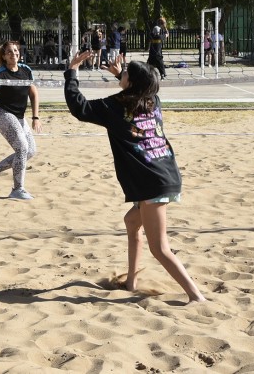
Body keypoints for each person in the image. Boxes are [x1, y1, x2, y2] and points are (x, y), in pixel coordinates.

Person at [64, 52, 206, 304]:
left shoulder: (114, 107)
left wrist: (72, 71)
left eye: (127, 72)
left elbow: (79, 108)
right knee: (131, 222)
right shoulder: (153, 100)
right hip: (164, 175)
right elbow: (138, 90)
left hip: (152, 182)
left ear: (133, 83)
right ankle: (131, 282)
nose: (124, 73)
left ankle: (196, 297)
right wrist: (121, 75)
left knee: (159, 248)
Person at [0, 41, 42, 200]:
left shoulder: (26, 70)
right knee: (22, 147)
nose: (13, 53)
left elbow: (33, 94)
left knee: (30, 151)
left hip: (19, 117)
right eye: (9, 52)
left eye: (15, 51)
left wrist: (35, 117)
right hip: (2, 114)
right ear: (3, 56)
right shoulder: (1, 73)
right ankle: (17, 189)